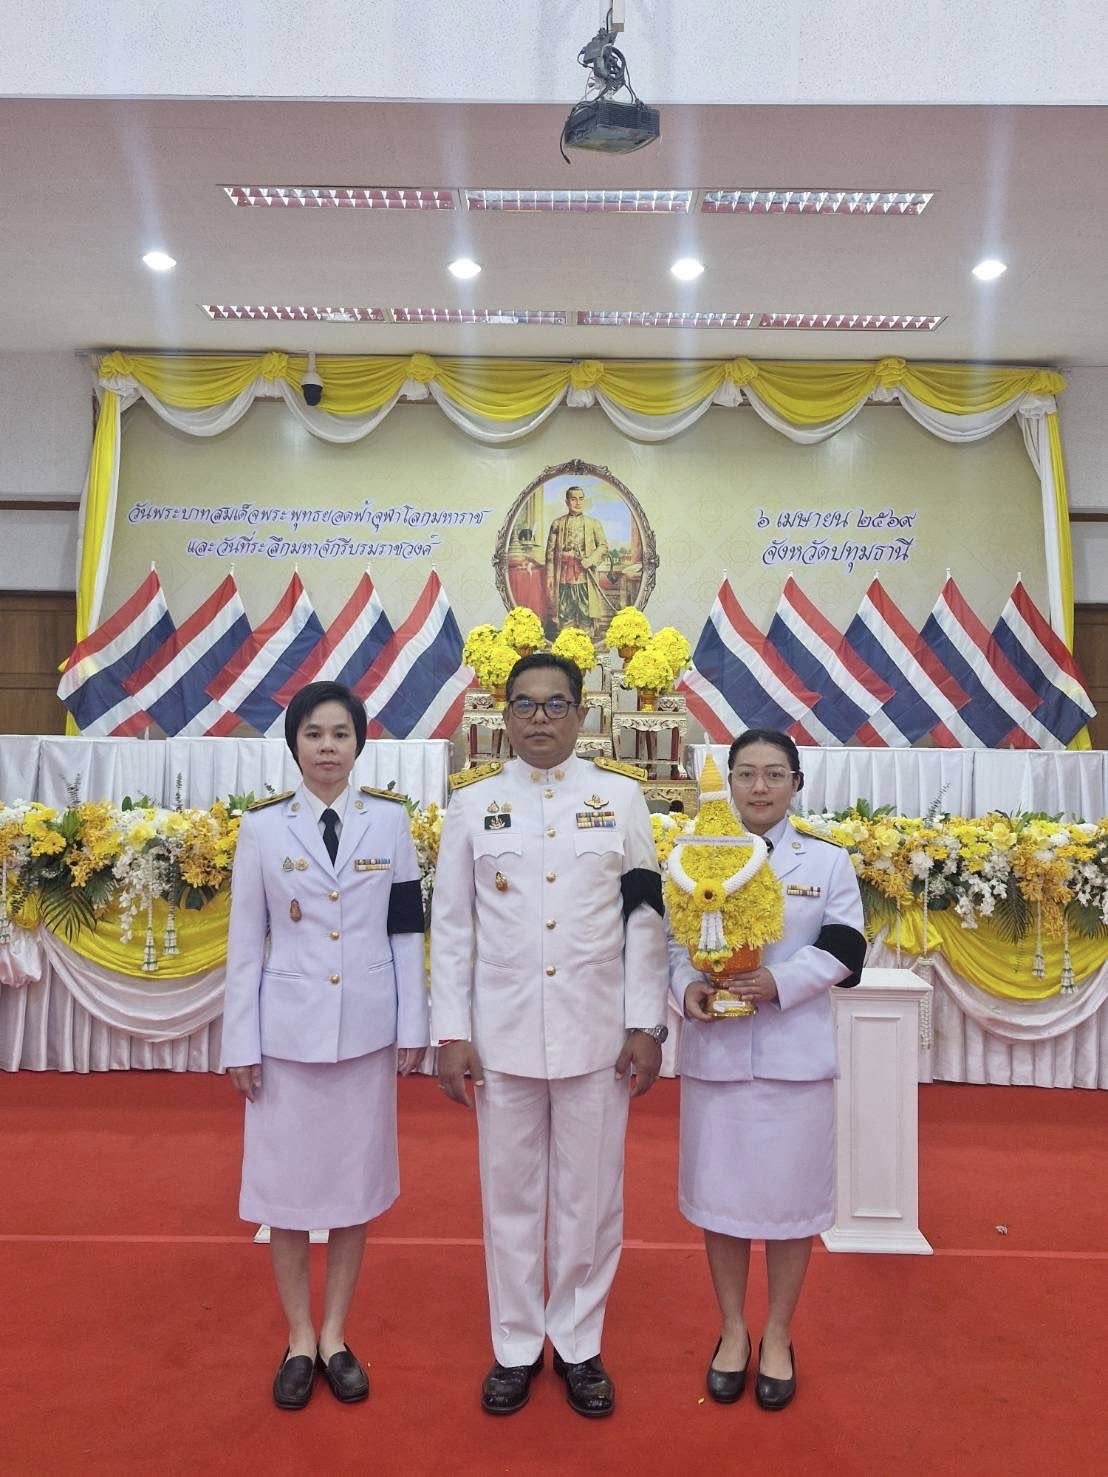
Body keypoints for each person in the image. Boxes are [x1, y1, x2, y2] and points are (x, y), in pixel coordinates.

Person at [430, 652, 669, 1419]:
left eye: (555, 704)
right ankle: (514, 1347)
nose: (539, 717)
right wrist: (450, 1031)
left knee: (590, 1197)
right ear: (504, 715)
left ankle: (577, 1342)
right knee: (509, 1198)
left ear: (580, 714)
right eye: (525, 704)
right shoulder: (471, 806)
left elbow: (645, 920)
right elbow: (452, 929)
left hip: (597, 1032)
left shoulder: (621, 798)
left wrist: (645, 1022)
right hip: (500, 1037)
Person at [221, 680, 428, 1411]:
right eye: (315, 734)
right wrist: (239, 1039)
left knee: (351, 1190)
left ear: (360, 742)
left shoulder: (391, 823)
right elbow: (246, 943)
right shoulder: (263, 829)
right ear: (294, 744)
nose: (329, 747)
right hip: (286, 1035)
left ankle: (336, 1334)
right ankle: (299, 1335)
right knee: (284, 1193)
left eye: (341, 733)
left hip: (367, 1032)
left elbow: (406, 927)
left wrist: (414, 1025)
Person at [668, 729, 866, 1412]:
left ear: (795, 782)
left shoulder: (827, 860)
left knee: (787, 1208)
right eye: (746, 773)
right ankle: (731, 1329)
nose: (759, 787)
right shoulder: (695, 856)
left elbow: (845, 945)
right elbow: (675, 942)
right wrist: (684, 988)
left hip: (793, 1058)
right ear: (729, 781)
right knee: (721, 1202)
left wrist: (779, 982)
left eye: (773, 774)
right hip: (717, 1057)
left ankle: (778, 1332)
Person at [544, 485, 609, 635]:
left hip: (584, 576)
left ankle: (586, 642)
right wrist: (550, 576)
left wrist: (590, 560)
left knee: (586, 613)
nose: (578, 502)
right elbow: (549, 554)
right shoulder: (557, 523)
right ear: (567, 502)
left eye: (581, 499)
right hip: (563, 576)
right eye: (573, 499)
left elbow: (604, 547)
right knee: (565, 613)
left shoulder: (594, 523)